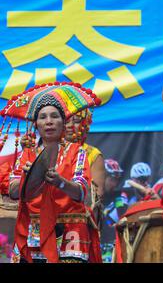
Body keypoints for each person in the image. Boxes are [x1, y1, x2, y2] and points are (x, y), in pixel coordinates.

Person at [3, 82, 102, 263]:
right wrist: (28, 178)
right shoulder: (27, 154)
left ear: (63, 122)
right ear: (36, 124)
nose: (48, 121)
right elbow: (13, 191)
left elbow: (81, 192)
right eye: (43, 117)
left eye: (54, 116)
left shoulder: (76, 151)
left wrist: (60, 182)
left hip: (69, 229)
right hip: (33, 227)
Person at [65, 109, 106, 225]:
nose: (69, 126)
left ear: (85, 124)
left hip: (82, 216)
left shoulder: (93, 154)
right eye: (65, 122)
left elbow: (97, 195)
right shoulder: (51, 151)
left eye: (76, 121)